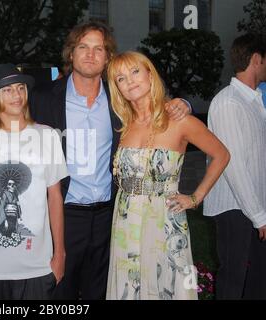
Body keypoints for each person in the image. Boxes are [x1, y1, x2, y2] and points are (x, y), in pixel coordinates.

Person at [29, 21, 192, 300]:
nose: (91, 54)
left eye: (99, 49)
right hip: (63, 214)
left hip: (112, 215)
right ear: (71, 53)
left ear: (107, 58)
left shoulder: (121, 99)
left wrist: (183, 103)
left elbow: (154, 104)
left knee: (105, 290)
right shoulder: (42, 98)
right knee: (57, 292)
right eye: (83, 47)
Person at [106, 51, 230, 300]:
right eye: (120, 78)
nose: (129, 80)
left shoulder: (179, 119)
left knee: (167, 287)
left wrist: (195, 197)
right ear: (117, 88)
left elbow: (221, 154)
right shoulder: (122, 124)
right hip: (125, 221)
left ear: (150, 74)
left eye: (135, 71)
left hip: (164, 220)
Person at [0, 63, 68, 300]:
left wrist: (59, 254)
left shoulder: (48, 136)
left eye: (21, 88)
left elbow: (55, 197)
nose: (17, 95)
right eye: (8, 89)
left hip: (38, 265)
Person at [204, 34, 266, 300]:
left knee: (257, 280)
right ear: (256, 59)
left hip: (254, 207)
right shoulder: (228, 103)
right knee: (233, 281)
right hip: (234, 209)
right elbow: (234, 165)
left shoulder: (253, 101)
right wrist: (259, 216)